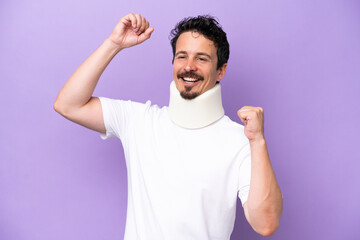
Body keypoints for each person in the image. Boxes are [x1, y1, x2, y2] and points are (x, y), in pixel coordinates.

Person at [54, 13, 283, 239]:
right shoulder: (139, 122)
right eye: (182, 56)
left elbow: (266, 224)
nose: (189, 66)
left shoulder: (242, 140)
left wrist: (258, 141)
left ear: (221, 70)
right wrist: (113, 44)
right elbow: (68, 105)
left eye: (201, 58)